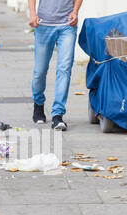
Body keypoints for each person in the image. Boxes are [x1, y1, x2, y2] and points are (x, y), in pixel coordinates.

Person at [29, 0, 83, 131]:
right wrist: (32, 14)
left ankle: (57, 114)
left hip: (67, 25)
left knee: (64, 69)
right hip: (43, 25)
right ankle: (38, 103)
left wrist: (75, 11)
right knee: (39, 71)